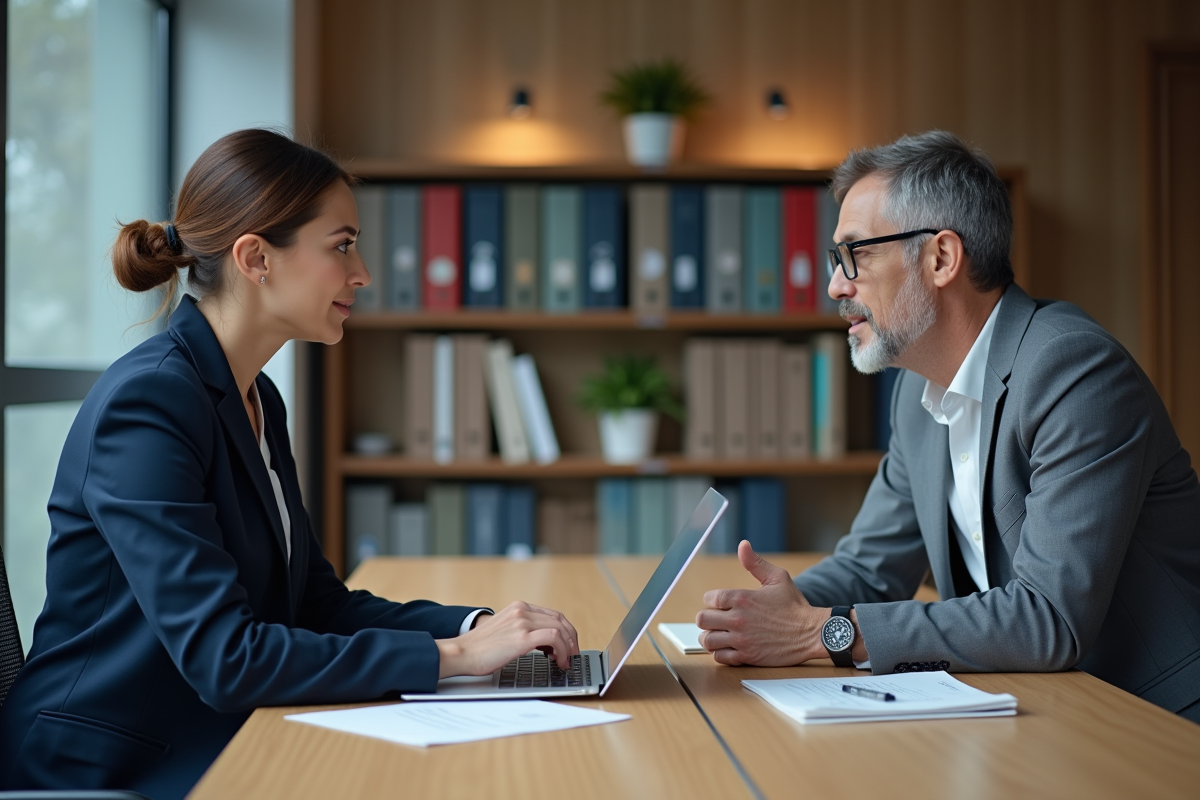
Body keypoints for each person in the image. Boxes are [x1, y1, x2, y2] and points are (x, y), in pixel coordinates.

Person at [0, 129, 580, 798]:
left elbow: (312, 602)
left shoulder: (255, 396)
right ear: (256, 258)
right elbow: (226, 659)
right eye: (341, 246)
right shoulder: (150, 403)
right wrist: (453, 659)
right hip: (107, 766)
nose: (361, 273)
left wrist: (474, 627)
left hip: (208, 732)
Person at [695, 130, 1200, 723]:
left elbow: (1048, 619)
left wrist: (820, 633)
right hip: (1036, 704)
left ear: (941, 258)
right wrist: (759, 617)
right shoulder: (916, 389)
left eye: (854, 254)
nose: (835, 285)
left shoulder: (1074, 372)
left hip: (1148, 716)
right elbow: (871, 569)